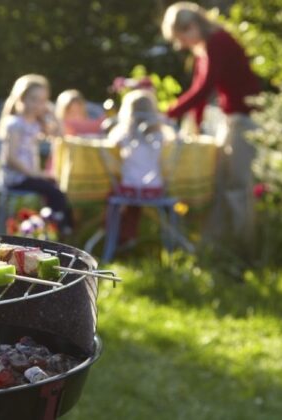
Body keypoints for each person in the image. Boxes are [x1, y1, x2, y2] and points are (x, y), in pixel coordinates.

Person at [162, 1, 261, 254]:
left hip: (245, 119)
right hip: (229, 119)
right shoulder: (204, 48)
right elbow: (201, 92)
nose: (182, 44)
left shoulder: (218, 42)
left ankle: (244, 247)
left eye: (181, 37)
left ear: (191, 26)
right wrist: (193, 124)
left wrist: (169, 113)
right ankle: (217, 244)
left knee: (237, 185)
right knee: (218, 181)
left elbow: (204, 87)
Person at [0, 74, 74, 234]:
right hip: (16, 177)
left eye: (42, 100)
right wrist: (35, 174)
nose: (38, 105)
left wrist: (53, 114)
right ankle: (59, 227)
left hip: (30, 176)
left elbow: (61, 135)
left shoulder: (36, 123)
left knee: (58, 187)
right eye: (33, 99)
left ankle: (55, 225)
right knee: (53, 191)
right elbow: (10, 158)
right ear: (21, 98)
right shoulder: (15, 124)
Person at [107, 89, 172, 244]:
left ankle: (115, 234)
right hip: (154, 189)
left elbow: (110, 144)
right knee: (134, 197)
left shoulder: (123, 133)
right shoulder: (161, 133)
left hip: (128, 189)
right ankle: (129, 235)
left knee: (111, 195)